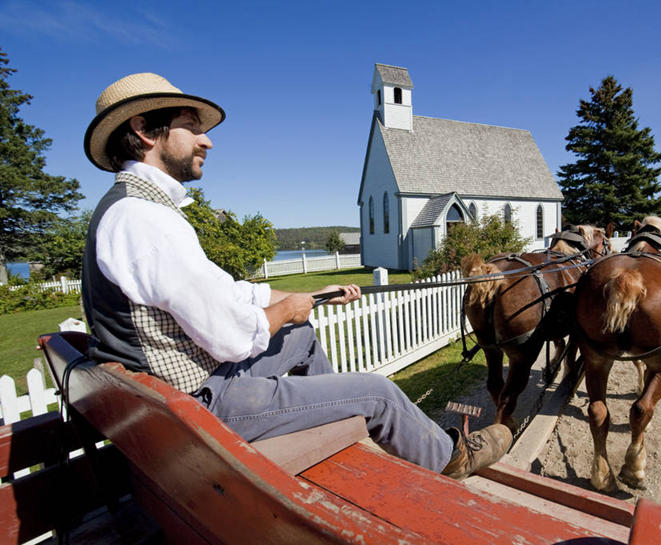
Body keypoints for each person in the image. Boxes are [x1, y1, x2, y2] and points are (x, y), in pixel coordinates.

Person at [81, 72, 511, 479]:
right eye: (191, 127)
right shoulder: (145, 220)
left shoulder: (131, 210)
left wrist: (312, 295)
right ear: (143, 129)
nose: (206, 140)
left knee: (302, 337)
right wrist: (287, 309)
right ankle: (449, 458)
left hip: (177, 396)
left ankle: (343, 423)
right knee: (378, 391)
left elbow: (226, 293)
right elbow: (231, 338)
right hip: (199, 407)